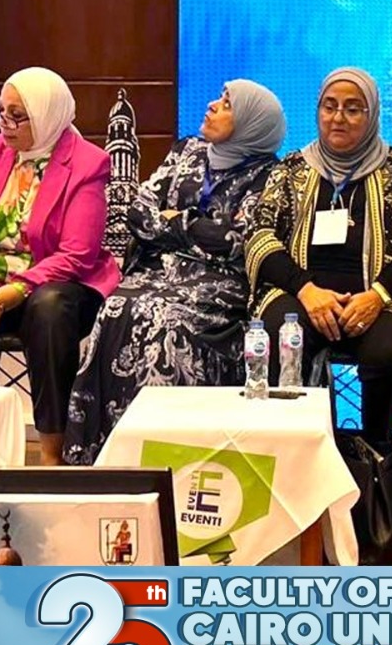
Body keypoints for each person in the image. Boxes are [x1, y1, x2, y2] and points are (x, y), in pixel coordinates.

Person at [62, 80, 286, 464]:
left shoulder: (269, 176)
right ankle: (106, 454)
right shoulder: (186, 151)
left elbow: (236, 240)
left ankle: (171, 455)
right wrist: (194, 227)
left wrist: (173, 221)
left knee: (163, 318)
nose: (212, 105)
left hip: (220, 284)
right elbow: (138, 211)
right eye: (218, 98)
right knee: (117, 307)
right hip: (158, 271)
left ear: (252, 123)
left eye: (227, 104)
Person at [0, 67, 120, 465]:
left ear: (47, 114)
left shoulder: (88, 164)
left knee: (47, 310)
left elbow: (77, 254)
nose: (5, 124)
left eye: (18, 116)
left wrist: (3, 298)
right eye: (1, 112)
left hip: (61, 280)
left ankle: (53, 451)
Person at [246, 66, 392, 448]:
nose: (338, 118)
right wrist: (306, 290)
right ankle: (288, 449)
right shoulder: (290, 170)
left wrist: (377, 296)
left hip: (381, 300)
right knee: (279, 336)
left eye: (352, 109)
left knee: (391, 350)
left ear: (372, 115)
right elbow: (259, 236)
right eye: (329, 106)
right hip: (301, 297)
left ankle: (379, 458)